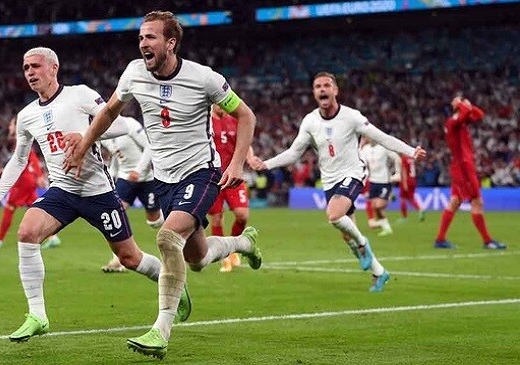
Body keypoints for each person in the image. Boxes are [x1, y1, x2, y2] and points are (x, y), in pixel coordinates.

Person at [63, 11, 263, 359]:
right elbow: (110, 111)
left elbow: (246, 115)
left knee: (166, 237)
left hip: (201, 173)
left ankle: (161, 329)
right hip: (164, 179)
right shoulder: (134, 73)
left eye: (151, 37)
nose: (143, 43)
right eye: (141, 37)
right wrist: (82, 145)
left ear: (170, 43)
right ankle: (244, 242)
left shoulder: (204, 79)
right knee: (197, 259)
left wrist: (236, 162)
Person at [0, 46, 191, 343]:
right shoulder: (26, 116)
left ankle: (172, 280)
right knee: (27, 232)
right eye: (25, 68)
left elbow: (123, 125)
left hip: (98, 192)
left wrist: (87, 135)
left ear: (53, 68)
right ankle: (37, 315)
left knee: (129, 257)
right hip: (62, 191)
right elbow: (20, 159)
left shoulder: (80, 95)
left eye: (35, 66)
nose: (30, 73)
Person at [250, 72, 426, 292]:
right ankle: (380, 273)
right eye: (317, 87)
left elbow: (381, 136)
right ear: (314, 93)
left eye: (326, 85)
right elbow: (294, 152)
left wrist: (410, 151)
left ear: (335, 90)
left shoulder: (351, 117)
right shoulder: (310, 121)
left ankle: (363, 244)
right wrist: (266, 164)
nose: (322, 89)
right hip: (330, 179)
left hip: (354, 172)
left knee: (334, 215)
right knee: (345, 232)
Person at [433, 96, 506, 249]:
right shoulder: (454, 122)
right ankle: (487, 241)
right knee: (477, 202)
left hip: (461, 167)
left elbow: (480, 115)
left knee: (455, 201)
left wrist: (468, 104)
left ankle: (440, 239)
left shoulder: (458, 122)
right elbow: (467, 113)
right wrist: (461, 103)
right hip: (463, 168)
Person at [0, 117, 61, 249]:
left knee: (9, 208)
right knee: (37, 208)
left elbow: (29, 157)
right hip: (28, 180)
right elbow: (27, 158)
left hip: (23, 181)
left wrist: (38, 175)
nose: (9, 127)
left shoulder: (20, 138)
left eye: (11, 124)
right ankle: (53, 236)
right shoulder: (21, 139)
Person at [100, 116, 164, 273]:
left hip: (146, 177)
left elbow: (150, 146)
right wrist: (112, 175)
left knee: (154, 221)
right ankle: (118, 259)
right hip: (125, 178)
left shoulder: (129, 124)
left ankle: (182, 234)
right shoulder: (103, 133)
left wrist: (139, 170)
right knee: (117, 212)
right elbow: (116, 156)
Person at [208, 104, 254, 272]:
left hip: (233, 175)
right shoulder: (206, 121)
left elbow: (245, 142)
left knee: (242, 215)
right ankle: (224, 258)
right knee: (217, 218)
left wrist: (250, 157)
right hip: (213, 178)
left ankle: (233, 247)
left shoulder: (234, 120)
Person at [360, 136, 402, 236]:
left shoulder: (383, 147)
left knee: (379, 205)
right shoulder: (365, 149)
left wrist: (398, 173)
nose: (371, 138)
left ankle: (389, 196)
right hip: (373, 181)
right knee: (375, 207)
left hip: (385, 181)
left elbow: (397, 159)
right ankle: (386, 227)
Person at [398, 153, 425, 223]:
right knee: (411, 198)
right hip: (413, 180)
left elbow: (403, 171)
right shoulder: (411, 158)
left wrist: (404, 183)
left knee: (403, 199)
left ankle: (404, 217)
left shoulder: (403, 159)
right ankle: (419, 209)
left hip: (407, 180)